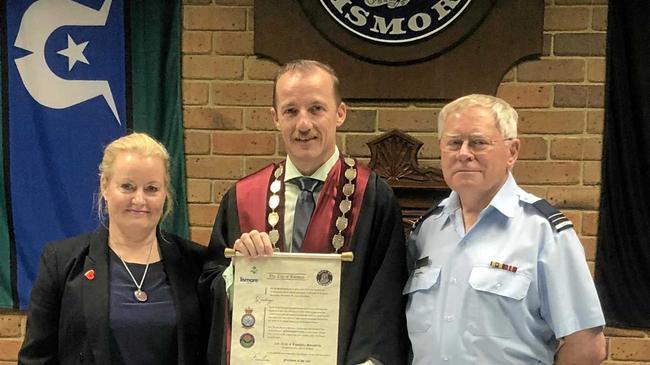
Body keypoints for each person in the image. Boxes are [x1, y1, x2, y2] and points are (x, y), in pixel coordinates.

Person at [201, 59, 409, 365]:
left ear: (340, 113)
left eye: (316, 109)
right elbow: (209, 285)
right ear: (275, 118)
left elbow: (386, 297)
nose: (303, 124)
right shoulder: (243, 197)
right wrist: (239, 271)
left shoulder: (373, 197)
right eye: (290, 111)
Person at [404, 94, 606, 364]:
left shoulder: (544, 233)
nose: (464, 153)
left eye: (478, 142)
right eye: (454, 143)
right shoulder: (426, 231)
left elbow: (586, 346)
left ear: (512, 152)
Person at [19, 133, 206, 364]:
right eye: (127, 187)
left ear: (165, 192)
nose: (139, 200)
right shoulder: (61, 261)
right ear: (105, 186)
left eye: (151, 188)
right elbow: (35, 359)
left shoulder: (196, 263)